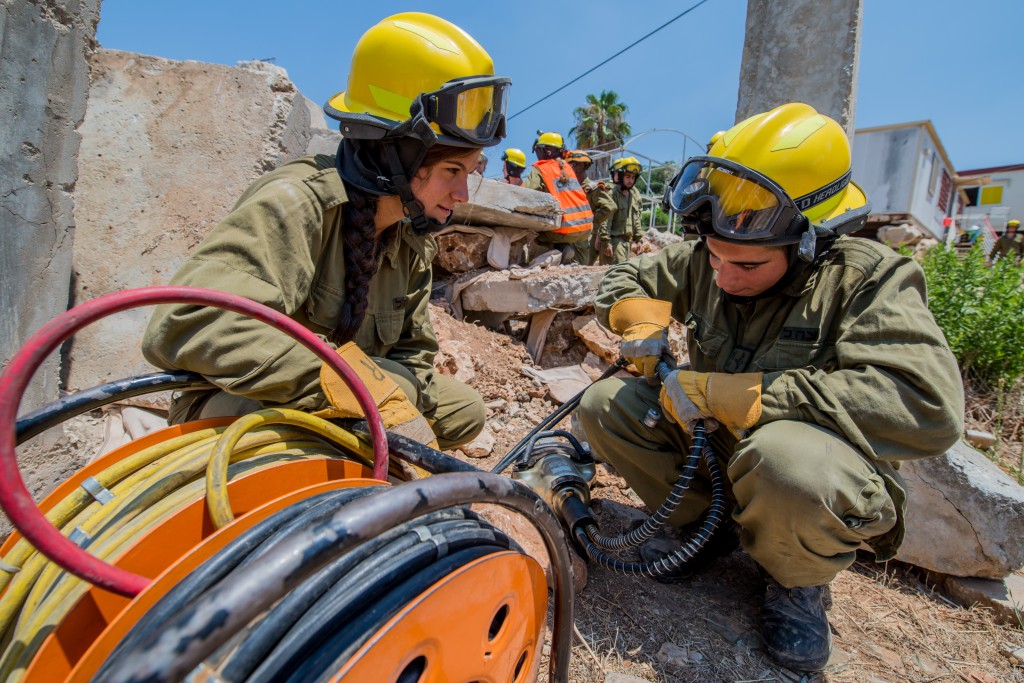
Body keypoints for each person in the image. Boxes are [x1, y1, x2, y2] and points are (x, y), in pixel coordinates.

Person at [578, 102, 964, 672]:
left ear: (809, 240)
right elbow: (628, 276)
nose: (724, 276)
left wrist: (759, 396)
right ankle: (702, 529)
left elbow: (926, 405)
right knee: (604, 405)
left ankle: (794, 580)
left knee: (785, 461)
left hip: (800, 470)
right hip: (718, 452)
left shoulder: (868, 278)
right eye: (714, 258)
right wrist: (638, 317)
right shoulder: (723, 247)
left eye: (749, 266)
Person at [141, 12, 511, 452]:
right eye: (452, 170)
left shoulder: (408, 239)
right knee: (392, 398)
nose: (461, 193)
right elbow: (188, 323)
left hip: (343, 395)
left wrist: (394, 398)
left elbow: (414, 354)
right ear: (395, 154)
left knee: (460, 410)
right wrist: (350, 389)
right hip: (241, 401)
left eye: (470, 172)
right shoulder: (297, 202)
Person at [521, 131, 595, 264]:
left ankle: (553, 256)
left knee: (533, 234)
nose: (537, 156)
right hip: (586, 228)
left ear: (547, 152)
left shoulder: (541, 168)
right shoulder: (567, 168)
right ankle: (564, 250)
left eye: (538, 151)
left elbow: (528, 194)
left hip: (565, 229)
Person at [565, 149, 615, 265]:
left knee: (579, 271)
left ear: (581, 165)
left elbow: (610, 207)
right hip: (566, 237)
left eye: (570, 165)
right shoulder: (570, 187)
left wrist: (591, 221)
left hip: (581, 240)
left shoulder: (592, 188)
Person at [598, 156, 644, 265]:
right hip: (614, 243)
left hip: (626, 243)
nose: (630, 180)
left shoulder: (632, 195)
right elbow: (606, 220)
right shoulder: (612, 194)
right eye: (628, 176)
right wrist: (606, 242)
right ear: (621, 176)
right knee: (616, 276)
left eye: (633, 177)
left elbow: (635, 219)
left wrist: (639, 240)